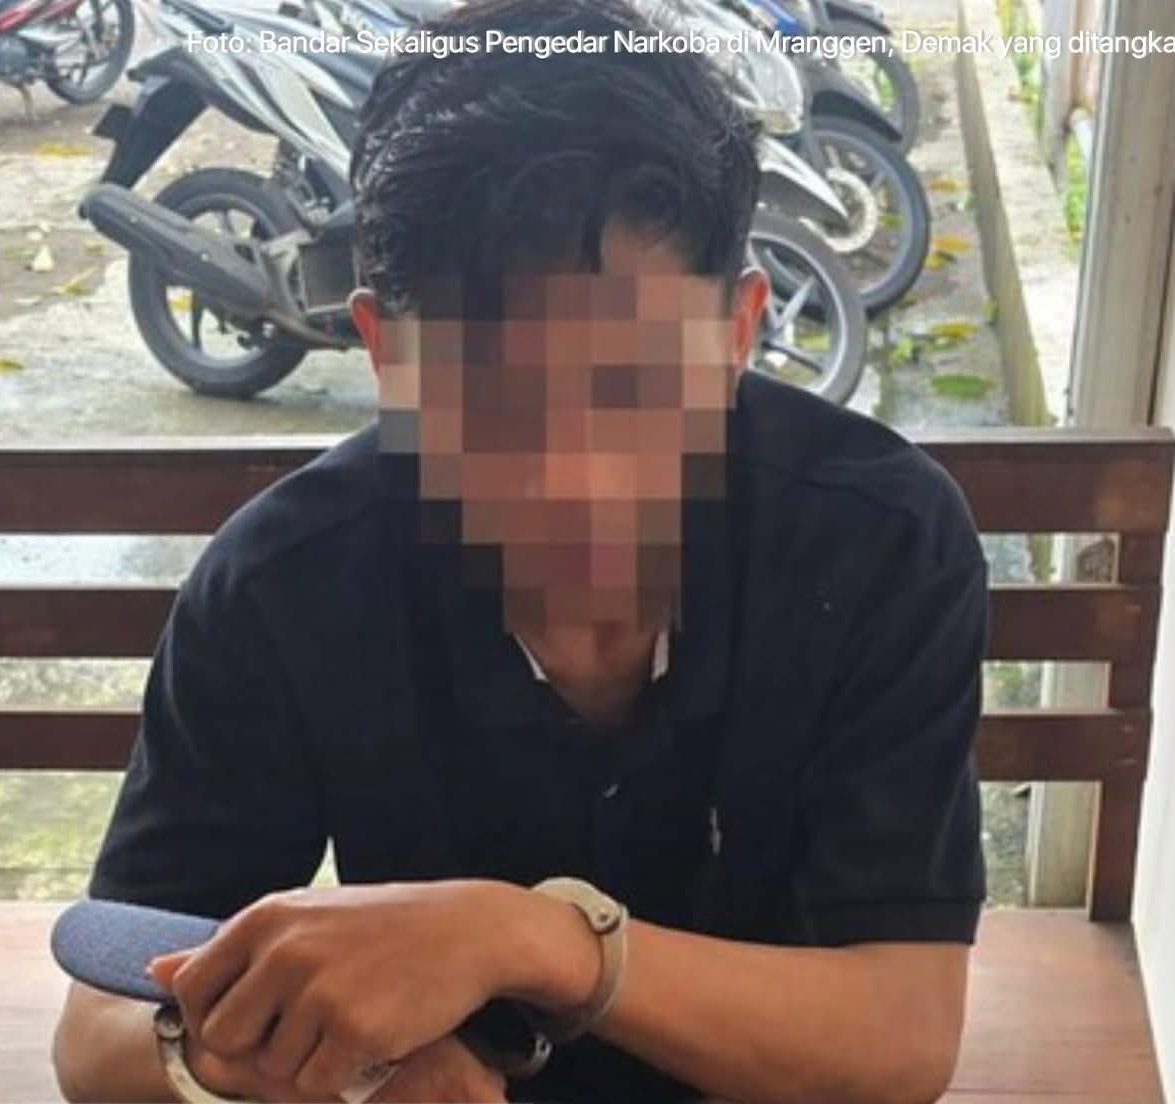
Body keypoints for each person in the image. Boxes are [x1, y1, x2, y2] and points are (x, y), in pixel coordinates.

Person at [50, 0, 988, 1100]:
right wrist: (336, 1071)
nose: (571, 482)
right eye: (487, 402)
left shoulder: (875, 544)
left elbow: (901, 1038)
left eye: (634, 387)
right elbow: (99, 1034)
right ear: (386, 354)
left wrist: (530, 940)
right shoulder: (286, 582)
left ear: (738, 331)